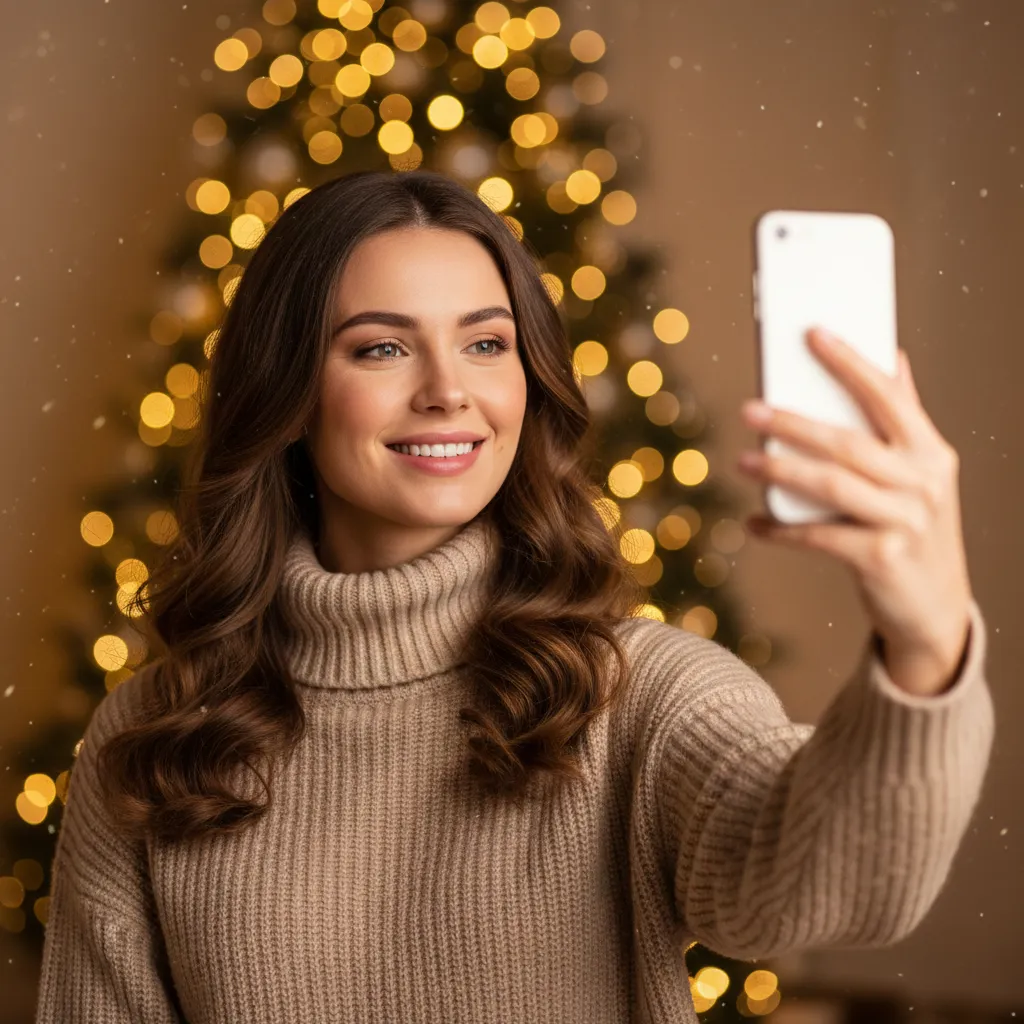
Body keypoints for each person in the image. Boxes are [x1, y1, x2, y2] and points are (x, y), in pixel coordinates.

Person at [35, 170, 994, 1024]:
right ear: (286, 393)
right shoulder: (156, 737)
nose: (449, 391)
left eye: (487, 343)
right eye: (381, 349)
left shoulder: (640, 694)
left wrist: (925, 647)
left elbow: (829, 889)